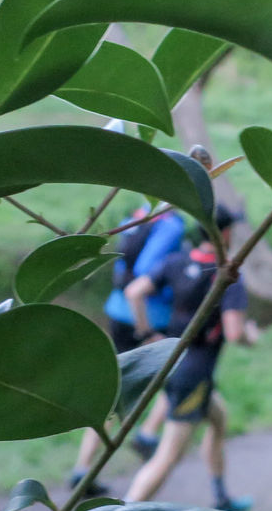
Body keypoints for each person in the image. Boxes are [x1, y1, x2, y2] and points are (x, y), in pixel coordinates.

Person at [123, 205, 259, 511]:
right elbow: (235, 333)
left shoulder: (177, 260)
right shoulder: (228, 277)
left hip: (170, 363)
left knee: (218, 419)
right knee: (168, 456)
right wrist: (252, 335)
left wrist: (147, 335)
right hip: (193, 375)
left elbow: (134, 292)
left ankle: (222, 497)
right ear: (225, 233)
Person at [68, 205, 185, 491]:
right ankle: (147, 434)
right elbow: (147, 271)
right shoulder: (172, 226)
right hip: (148, 315)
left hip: (117, 310)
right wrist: (146, 331)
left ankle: (82, 469)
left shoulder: (135, 215)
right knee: (178, 376)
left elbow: (122, 263)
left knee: (113, 389)